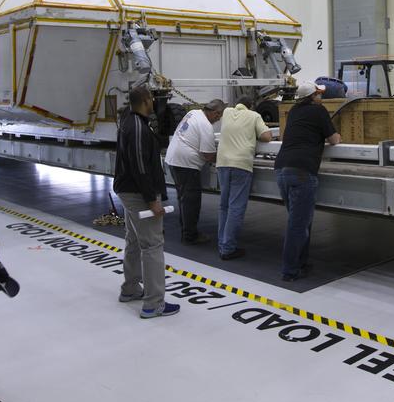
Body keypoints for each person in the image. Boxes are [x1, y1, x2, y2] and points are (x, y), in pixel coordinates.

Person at [113, 86, 179, 318]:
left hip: (127, 191)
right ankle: (154, 303)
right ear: (145, 100)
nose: (154, 102)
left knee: (133, 240)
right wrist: (152, 200)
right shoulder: (138, 127)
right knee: (152, 245)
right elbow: (140, 166)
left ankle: (130, 288)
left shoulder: (128, 122)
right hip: (138, 194)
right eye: (152, 98)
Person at [274, 81, 341, 281]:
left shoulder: (293, 111)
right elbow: (334, 140)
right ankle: (290, 270)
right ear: (312, 97)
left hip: (281, 169)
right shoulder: (318, 111)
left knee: (301, 221)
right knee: (298, 224)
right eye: (319, 94)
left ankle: (301, 263)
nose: (321, 97)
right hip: (302, 171)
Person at [215, 96, 274, 260]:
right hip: (241, 164)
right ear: (251, 106)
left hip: (222, 163)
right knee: (236, 207)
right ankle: (227, 248)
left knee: (224, 206)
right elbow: (267, 137)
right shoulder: (254, 116)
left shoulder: (227, 112)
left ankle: (222, 244)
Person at [165, 99, 226, 244]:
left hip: (173, 159)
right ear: (215, 113)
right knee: (191, 201)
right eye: (218, 116)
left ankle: (186, 229)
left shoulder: (193, 113)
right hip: (186, 165)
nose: (218, 120)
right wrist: (227, 157)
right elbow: (208, 155)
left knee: (184, 198)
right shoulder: (205, 125)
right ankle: (190, 236)